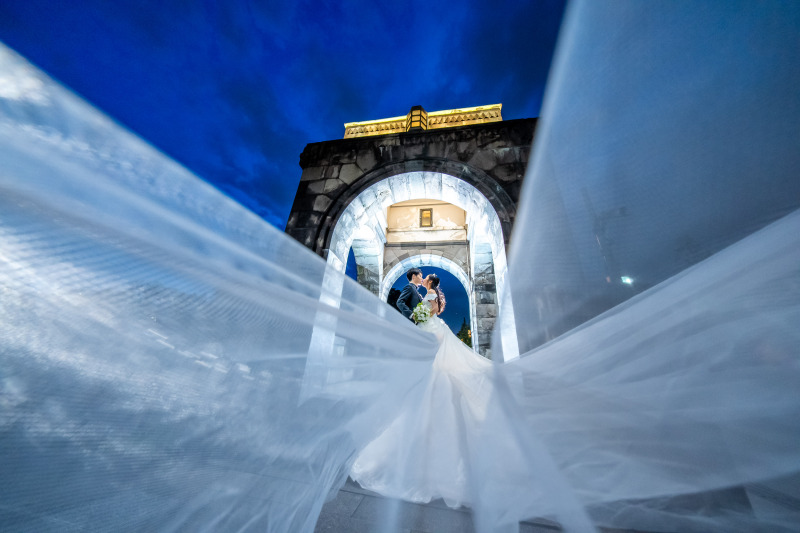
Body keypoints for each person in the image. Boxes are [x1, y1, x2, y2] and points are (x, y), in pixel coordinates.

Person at [351, 273, 493, 509]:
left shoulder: (427, 294)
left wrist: (416, 315)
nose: (423, 277)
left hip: (430, 329)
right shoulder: (436, 294)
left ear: (429, 282)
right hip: (438, 329)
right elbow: (435, 311)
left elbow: (425, 313)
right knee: (435, 374)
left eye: (426, 277)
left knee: (428, 377)